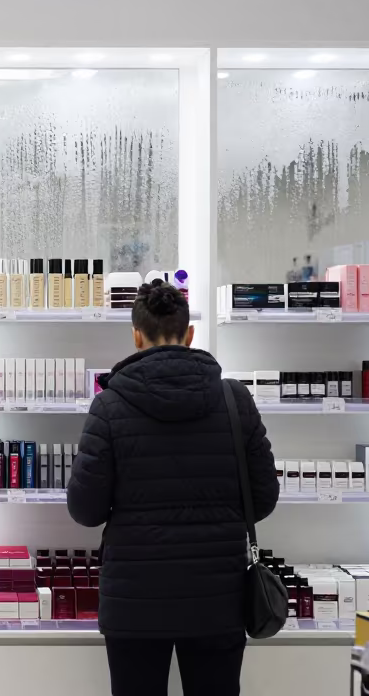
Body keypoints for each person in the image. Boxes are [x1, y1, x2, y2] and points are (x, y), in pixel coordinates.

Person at [67, 280, 279, 696]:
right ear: (190, 333)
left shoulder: (109, 406)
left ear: (136, 335)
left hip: (135, 602)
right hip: (218, 599)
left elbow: (85, 511)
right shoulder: (234, 399)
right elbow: (264, 498)